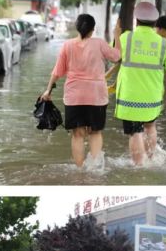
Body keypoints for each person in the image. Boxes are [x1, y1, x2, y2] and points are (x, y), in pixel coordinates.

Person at [40, 14, 121, 168]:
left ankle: (79, 170)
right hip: (96, 96)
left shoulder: (67, 45)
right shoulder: (99, 44)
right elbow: (117, 57)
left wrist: (48, 90)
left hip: (74, 96)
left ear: (77, 27)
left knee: (77, 134)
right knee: (95, 132)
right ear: (93, 29)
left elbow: (57, 71)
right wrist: (117, 36)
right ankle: (95, 168)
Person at [114, 1, 166, 164]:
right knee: (150, 127)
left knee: (135, 132)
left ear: (136, 20)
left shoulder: (125, 37)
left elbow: (114, 56)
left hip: (130, 96)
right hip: (152, 95)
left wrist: (116, 35)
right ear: (154, 22)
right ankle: (151, 160)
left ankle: (139, 167)